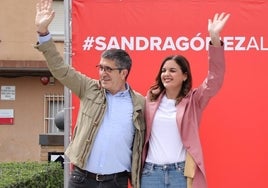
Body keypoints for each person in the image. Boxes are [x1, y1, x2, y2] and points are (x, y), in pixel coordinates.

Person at [34, 0, 146, 188]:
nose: (102, 73)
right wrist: (43, 33)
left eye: (108, 69)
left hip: (116, 181)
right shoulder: (89, 88)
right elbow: (61, 70)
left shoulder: (139, 103)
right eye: (100, 67)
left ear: (123, 73)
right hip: (82, 179)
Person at [141, 12, 230, 188]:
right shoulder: (148, 100)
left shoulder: (194, 101)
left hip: (180, 173)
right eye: (164, 70)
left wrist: (214, 39)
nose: (166, 74)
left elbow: (215, 78)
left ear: (184, 76)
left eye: (173, 70)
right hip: (151, 174)